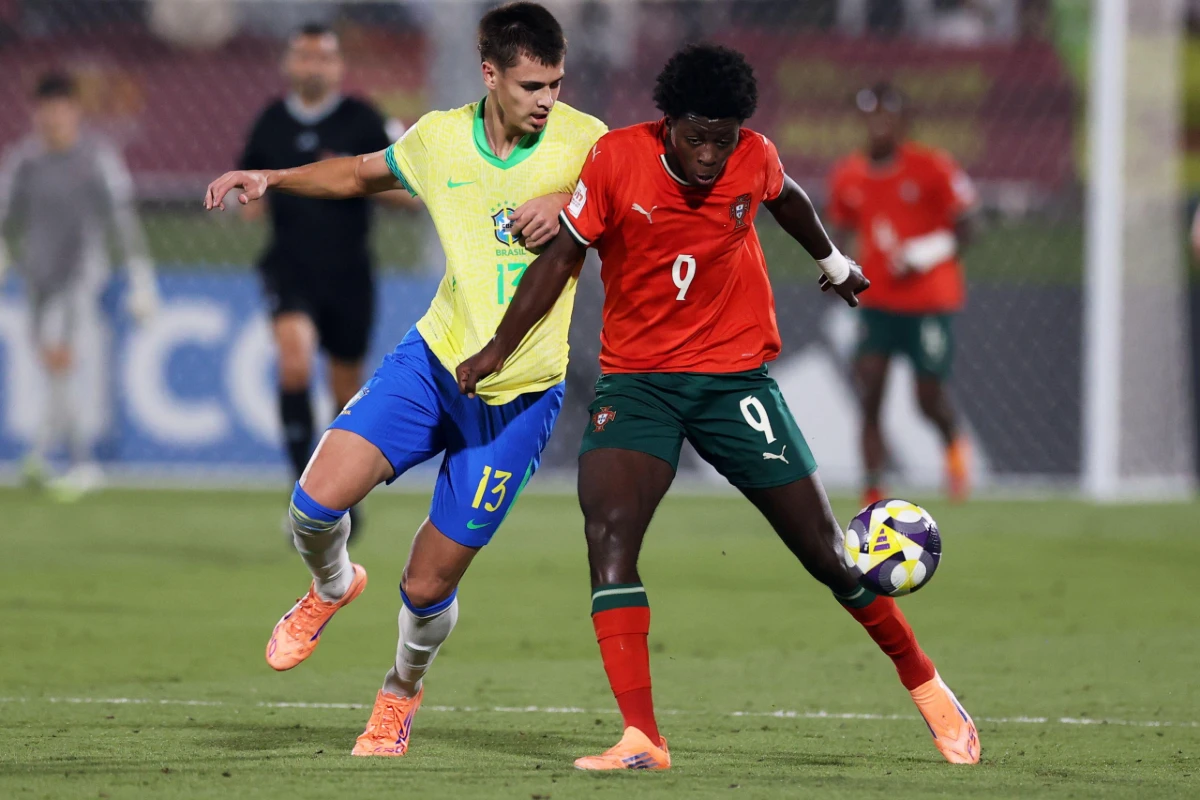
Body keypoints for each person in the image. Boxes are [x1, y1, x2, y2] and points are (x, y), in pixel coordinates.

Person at [457, 44, 979, 771]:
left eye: (723, 139)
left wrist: (832, 264)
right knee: (608, 535)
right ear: (666, 122)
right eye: (696, 136)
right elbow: (561, 260)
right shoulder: (616, 161)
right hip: (637, 382)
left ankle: (928, 687)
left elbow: (788, 197)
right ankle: (643, 736)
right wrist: (495, 351)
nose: (709, 155)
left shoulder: (753, 157)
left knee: (829, 555)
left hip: (734, 382)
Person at [204, 2, 606, 757]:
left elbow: (637, 196)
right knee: (311, 509)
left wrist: (574, 202)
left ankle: (399, 693)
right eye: (529, 86)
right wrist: (273, 176)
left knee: (425, 588)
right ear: (490, 75)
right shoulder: (438, 138)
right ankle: (330, 586)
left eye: (555, 83)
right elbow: (359, 173)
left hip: (518, 401)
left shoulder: (587, 146)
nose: (546, 100)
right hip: (432, 364)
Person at [238, 22, 416, 533]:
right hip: (289, 267)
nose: (312, 65)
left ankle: (336, 497)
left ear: (338, 66)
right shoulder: (270, 123)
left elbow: (409, 195)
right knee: (293, 363)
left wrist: (351, 175)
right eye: (304, 56)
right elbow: (248, 196)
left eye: (323, 57)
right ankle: (303, 496)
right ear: (289, 64)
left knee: (345, 389)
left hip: (348, 273)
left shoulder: (363, 121)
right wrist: (242, 200)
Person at [0, 71, 158, 498]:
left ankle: (81, 461)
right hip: (37, 275)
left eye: (60, 107)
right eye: (44, 108)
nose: (52, 117)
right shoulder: (25, 161)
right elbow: (5, 215)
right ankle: (41, 452)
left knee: (61, 355)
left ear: (74, 111)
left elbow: (121, 219)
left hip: (80, 273)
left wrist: (141, 277)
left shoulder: (95, 157)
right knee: (52, 364)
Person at [827, 82, 978, 507]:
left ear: (902, 121)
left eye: (886, 116)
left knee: (927, 398)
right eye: (870, 115)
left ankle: (954, 446)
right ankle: (873, 489)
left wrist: (927, 252)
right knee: (870, 391)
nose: (878, 125)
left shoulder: (933, 167)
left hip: (928, 302)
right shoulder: (848, 174)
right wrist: (833, 272)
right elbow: (838, 234)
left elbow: (971, 224)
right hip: (876, 302)